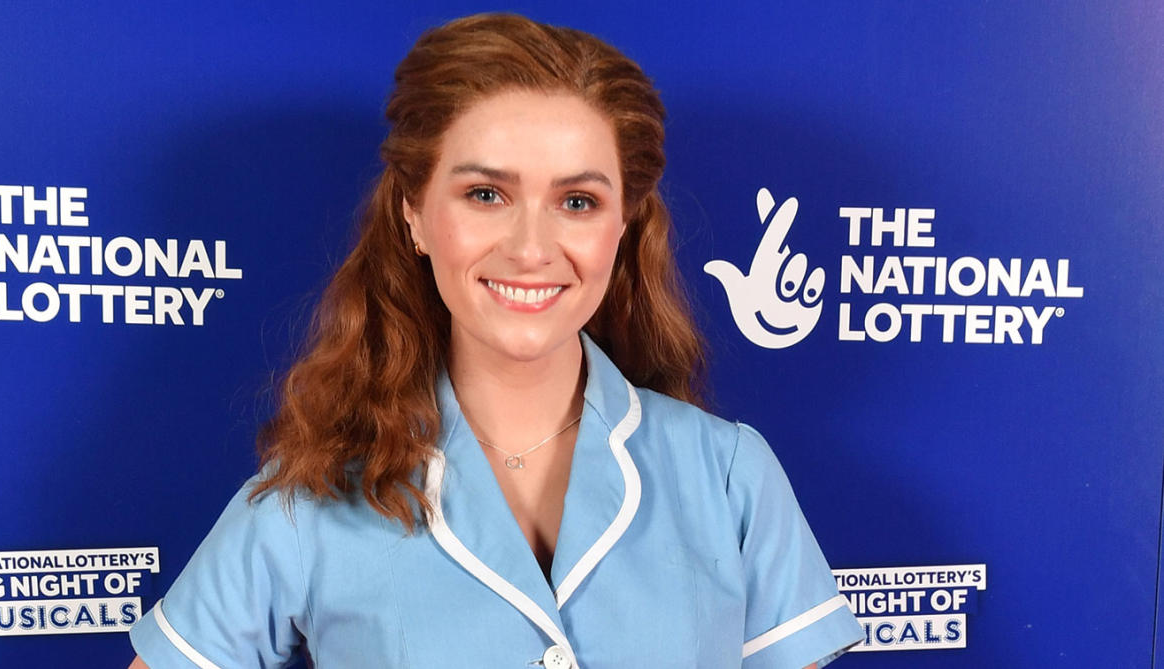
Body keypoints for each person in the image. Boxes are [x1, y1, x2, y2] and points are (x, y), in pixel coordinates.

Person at [128, 12, 862, 669]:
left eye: (577, 201)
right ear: (414, 212)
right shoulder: (309, 500)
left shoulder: (732, 475)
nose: (532, 248)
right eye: (487, 195)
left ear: (626, 223)